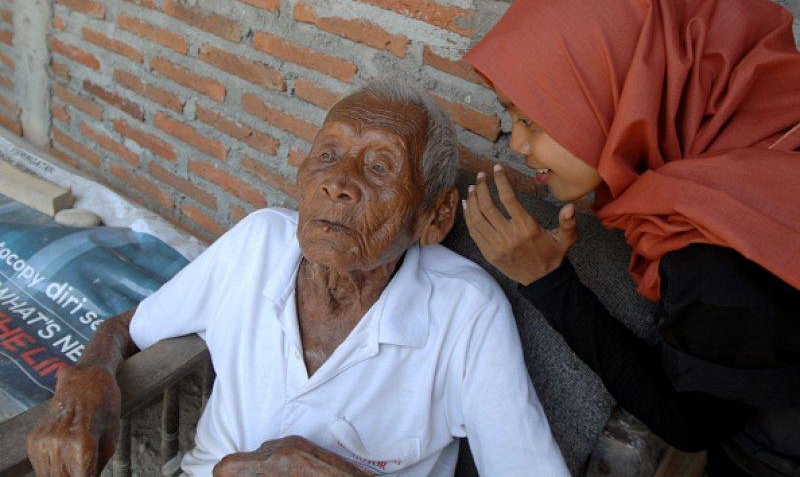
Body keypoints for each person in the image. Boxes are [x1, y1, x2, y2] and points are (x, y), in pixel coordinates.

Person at [27, 79, 570, 477]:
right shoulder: (259, 241)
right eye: (327, 154)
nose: (337, 182)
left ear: (435, 216)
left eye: (379, 167)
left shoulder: (465, 311)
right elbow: (128, 327)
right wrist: (86, 379)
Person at [460, 0, 800, 476]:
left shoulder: (720, 248)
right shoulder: (761, 131)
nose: (518, 144)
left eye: (532, 118)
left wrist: (550, 282)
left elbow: (694, 424)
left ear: (624, 95)